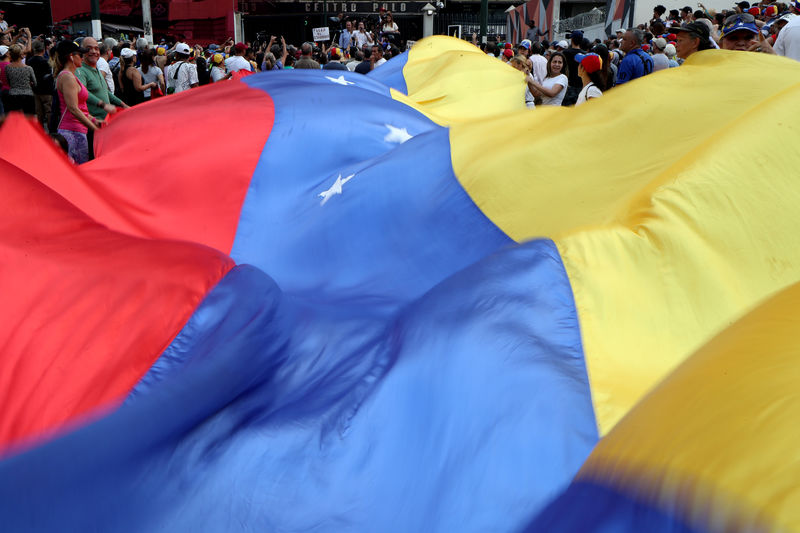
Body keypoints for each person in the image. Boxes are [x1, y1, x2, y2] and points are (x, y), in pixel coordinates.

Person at [53, 40, 99, 163]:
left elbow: (80, 107)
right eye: (79, 54)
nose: (82, 57)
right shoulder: (67, 77)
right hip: (72, 132)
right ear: (71, 57)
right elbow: (73, 108)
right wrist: (93, 126)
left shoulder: (70, 76)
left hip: (76, 131)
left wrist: (94, 120)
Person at [76, 37, 127, 124]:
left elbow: (105, 92)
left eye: (96, 48)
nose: (94, 51)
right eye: (89, 48)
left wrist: (123, 105)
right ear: (81, 51)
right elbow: (82, 92)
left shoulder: (96, 70)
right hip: (94, 124)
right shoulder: (80, 71)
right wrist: (103, 105)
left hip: (105, 122)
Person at [4, 44, 35, 115]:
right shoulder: (28, 68)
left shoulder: (7, 68)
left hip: (13, 95)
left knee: (16, 119)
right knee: (28, 119)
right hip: (27, 95)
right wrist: (29, 84)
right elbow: (35, 83)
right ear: (21, 55)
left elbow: (9, 82)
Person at [29, 39, 53, 128]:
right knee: (49, 111)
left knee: (39, 112)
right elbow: (50, 75)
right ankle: (51, 131)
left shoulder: (30, 61)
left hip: (35, 89)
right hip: (46, 90)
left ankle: (40, 132)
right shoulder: (46, 61)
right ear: (43, 50)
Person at [561, 30, 584, 106]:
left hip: (569, 86)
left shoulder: (566, 53)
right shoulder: (585, 54)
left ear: (572, 39)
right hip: (582, 86)